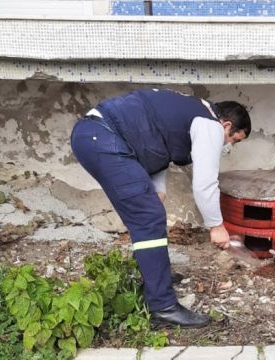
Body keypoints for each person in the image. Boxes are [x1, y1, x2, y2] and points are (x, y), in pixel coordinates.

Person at [70, 88, 251, 328]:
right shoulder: (210, 125)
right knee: (148, 218)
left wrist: (158, 191)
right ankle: (163, 307)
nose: (228, 145)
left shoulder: (189, 111)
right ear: (226, 125)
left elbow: (156, 147)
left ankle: (154, 279)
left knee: (150, 212)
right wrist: (216, 226)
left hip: (98, 135)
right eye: (233, 139)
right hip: (103, 137)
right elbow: (205, 182)